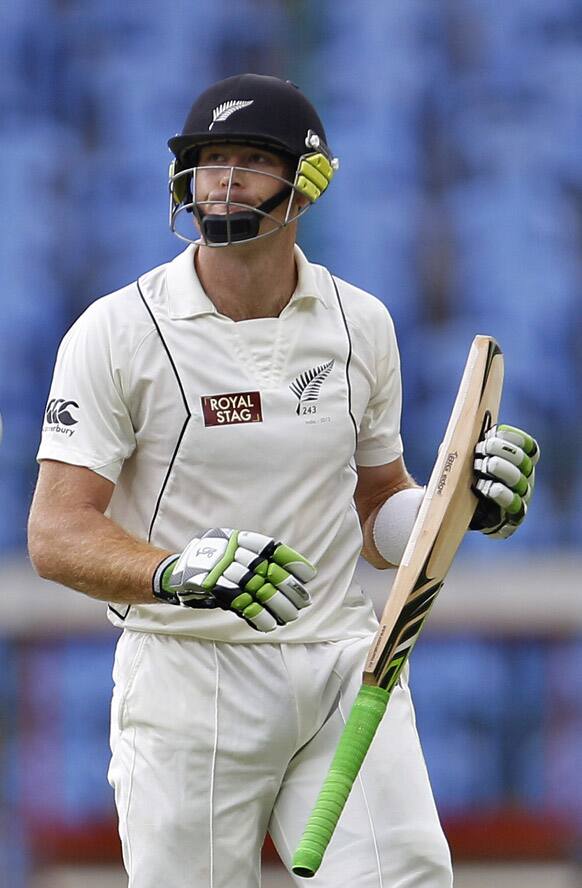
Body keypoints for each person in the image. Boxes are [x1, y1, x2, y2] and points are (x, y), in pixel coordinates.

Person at [28, 74, 539, 888]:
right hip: (188, 674)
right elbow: (55, 535)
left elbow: (379, 515)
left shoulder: (359, 322)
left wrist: (461, 505)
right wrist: (174, 571)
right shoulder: (118, 330)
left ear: (308, 184)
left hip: (341, 664)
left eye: (250, 161)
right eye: (209, 161)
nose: (224, 180)